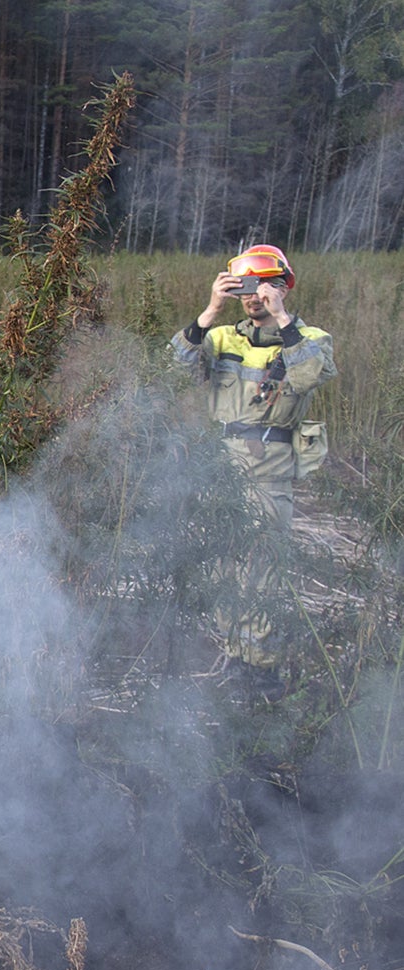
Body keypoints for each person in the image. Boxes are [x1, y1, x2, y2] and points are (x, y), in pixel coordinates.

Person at [169, 243, 336, 702]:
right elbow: (175, 366)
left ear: (282, 288)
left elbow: (308, 377)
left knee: (263, 570)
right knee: (225, 565)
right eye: (244, 288)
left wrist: (282, 319)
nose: (251, 297)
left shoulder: (310, 338)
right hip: (223, 470)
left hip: (269, 468)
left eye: (262, 287)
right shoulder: (222, 337)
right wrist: (209, 311)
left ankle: (262, 671)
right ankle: (234, 658)